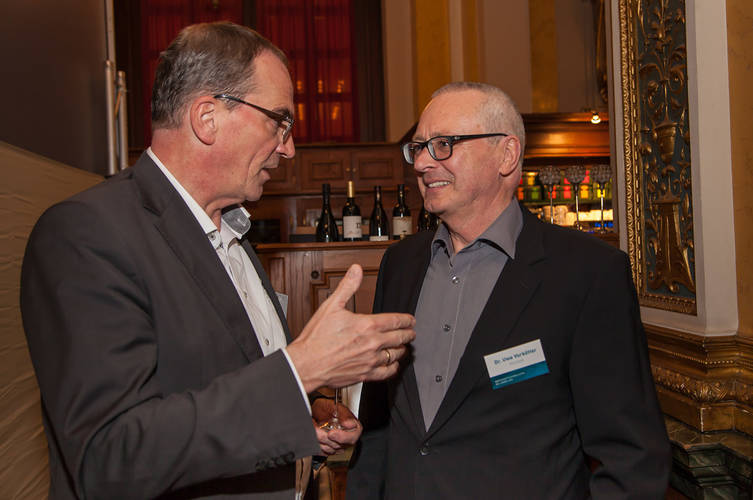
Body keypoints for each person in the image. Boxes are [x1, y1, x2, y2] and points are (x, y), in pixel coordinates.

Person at [20, 22, 415, 500]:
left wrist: (302, 411)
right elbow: (110, 456)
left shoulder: (233, 230)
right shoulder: (87, 235)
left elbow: (225, 377)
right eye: (279, 121)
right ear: (207, 117)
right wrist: (300, 371)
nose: (289, 147)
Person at [346, 82, 671, 499]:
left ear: (507, 154)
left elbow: (631, 457)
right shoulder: (401, 264)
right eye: (418, 148)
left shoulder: (588, 273)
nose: (423, 163)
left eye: (443, 145)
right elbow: (379, 424)